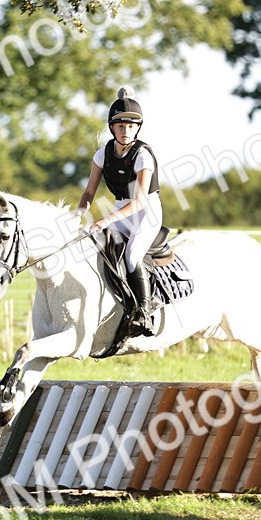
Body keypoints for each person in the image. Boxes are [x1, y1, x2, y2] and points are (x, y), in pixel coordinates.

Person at [77, 86, 163, 335]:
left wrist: (103, 221)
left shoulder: (142, 155)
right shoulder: (102, 155)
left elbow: (138, 202)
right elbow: (89, 193)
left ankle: (144, 313)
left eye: (131, 126)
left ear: (138, 128)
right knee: (97, 248)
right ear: (111, 128)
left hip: (146, 211)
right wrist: (78, 215)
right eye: (121, 126)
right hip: (120, 208)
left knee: (132, 256)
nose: (126, 131)